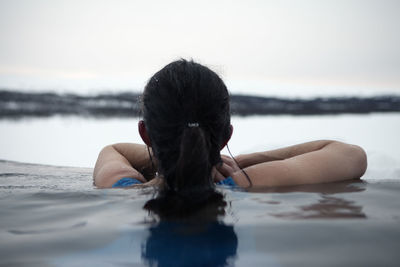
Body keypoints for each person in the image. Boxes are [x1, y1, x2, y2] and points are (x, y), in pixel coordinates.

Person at [93, 59, 367, 213]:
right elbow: (351, 155)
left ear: (145, 134)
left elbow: (113, 149)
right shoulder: (246, 184)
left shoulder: (122, 191)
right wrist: (237, 162)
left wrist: (177, 158)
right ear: (226, 137)